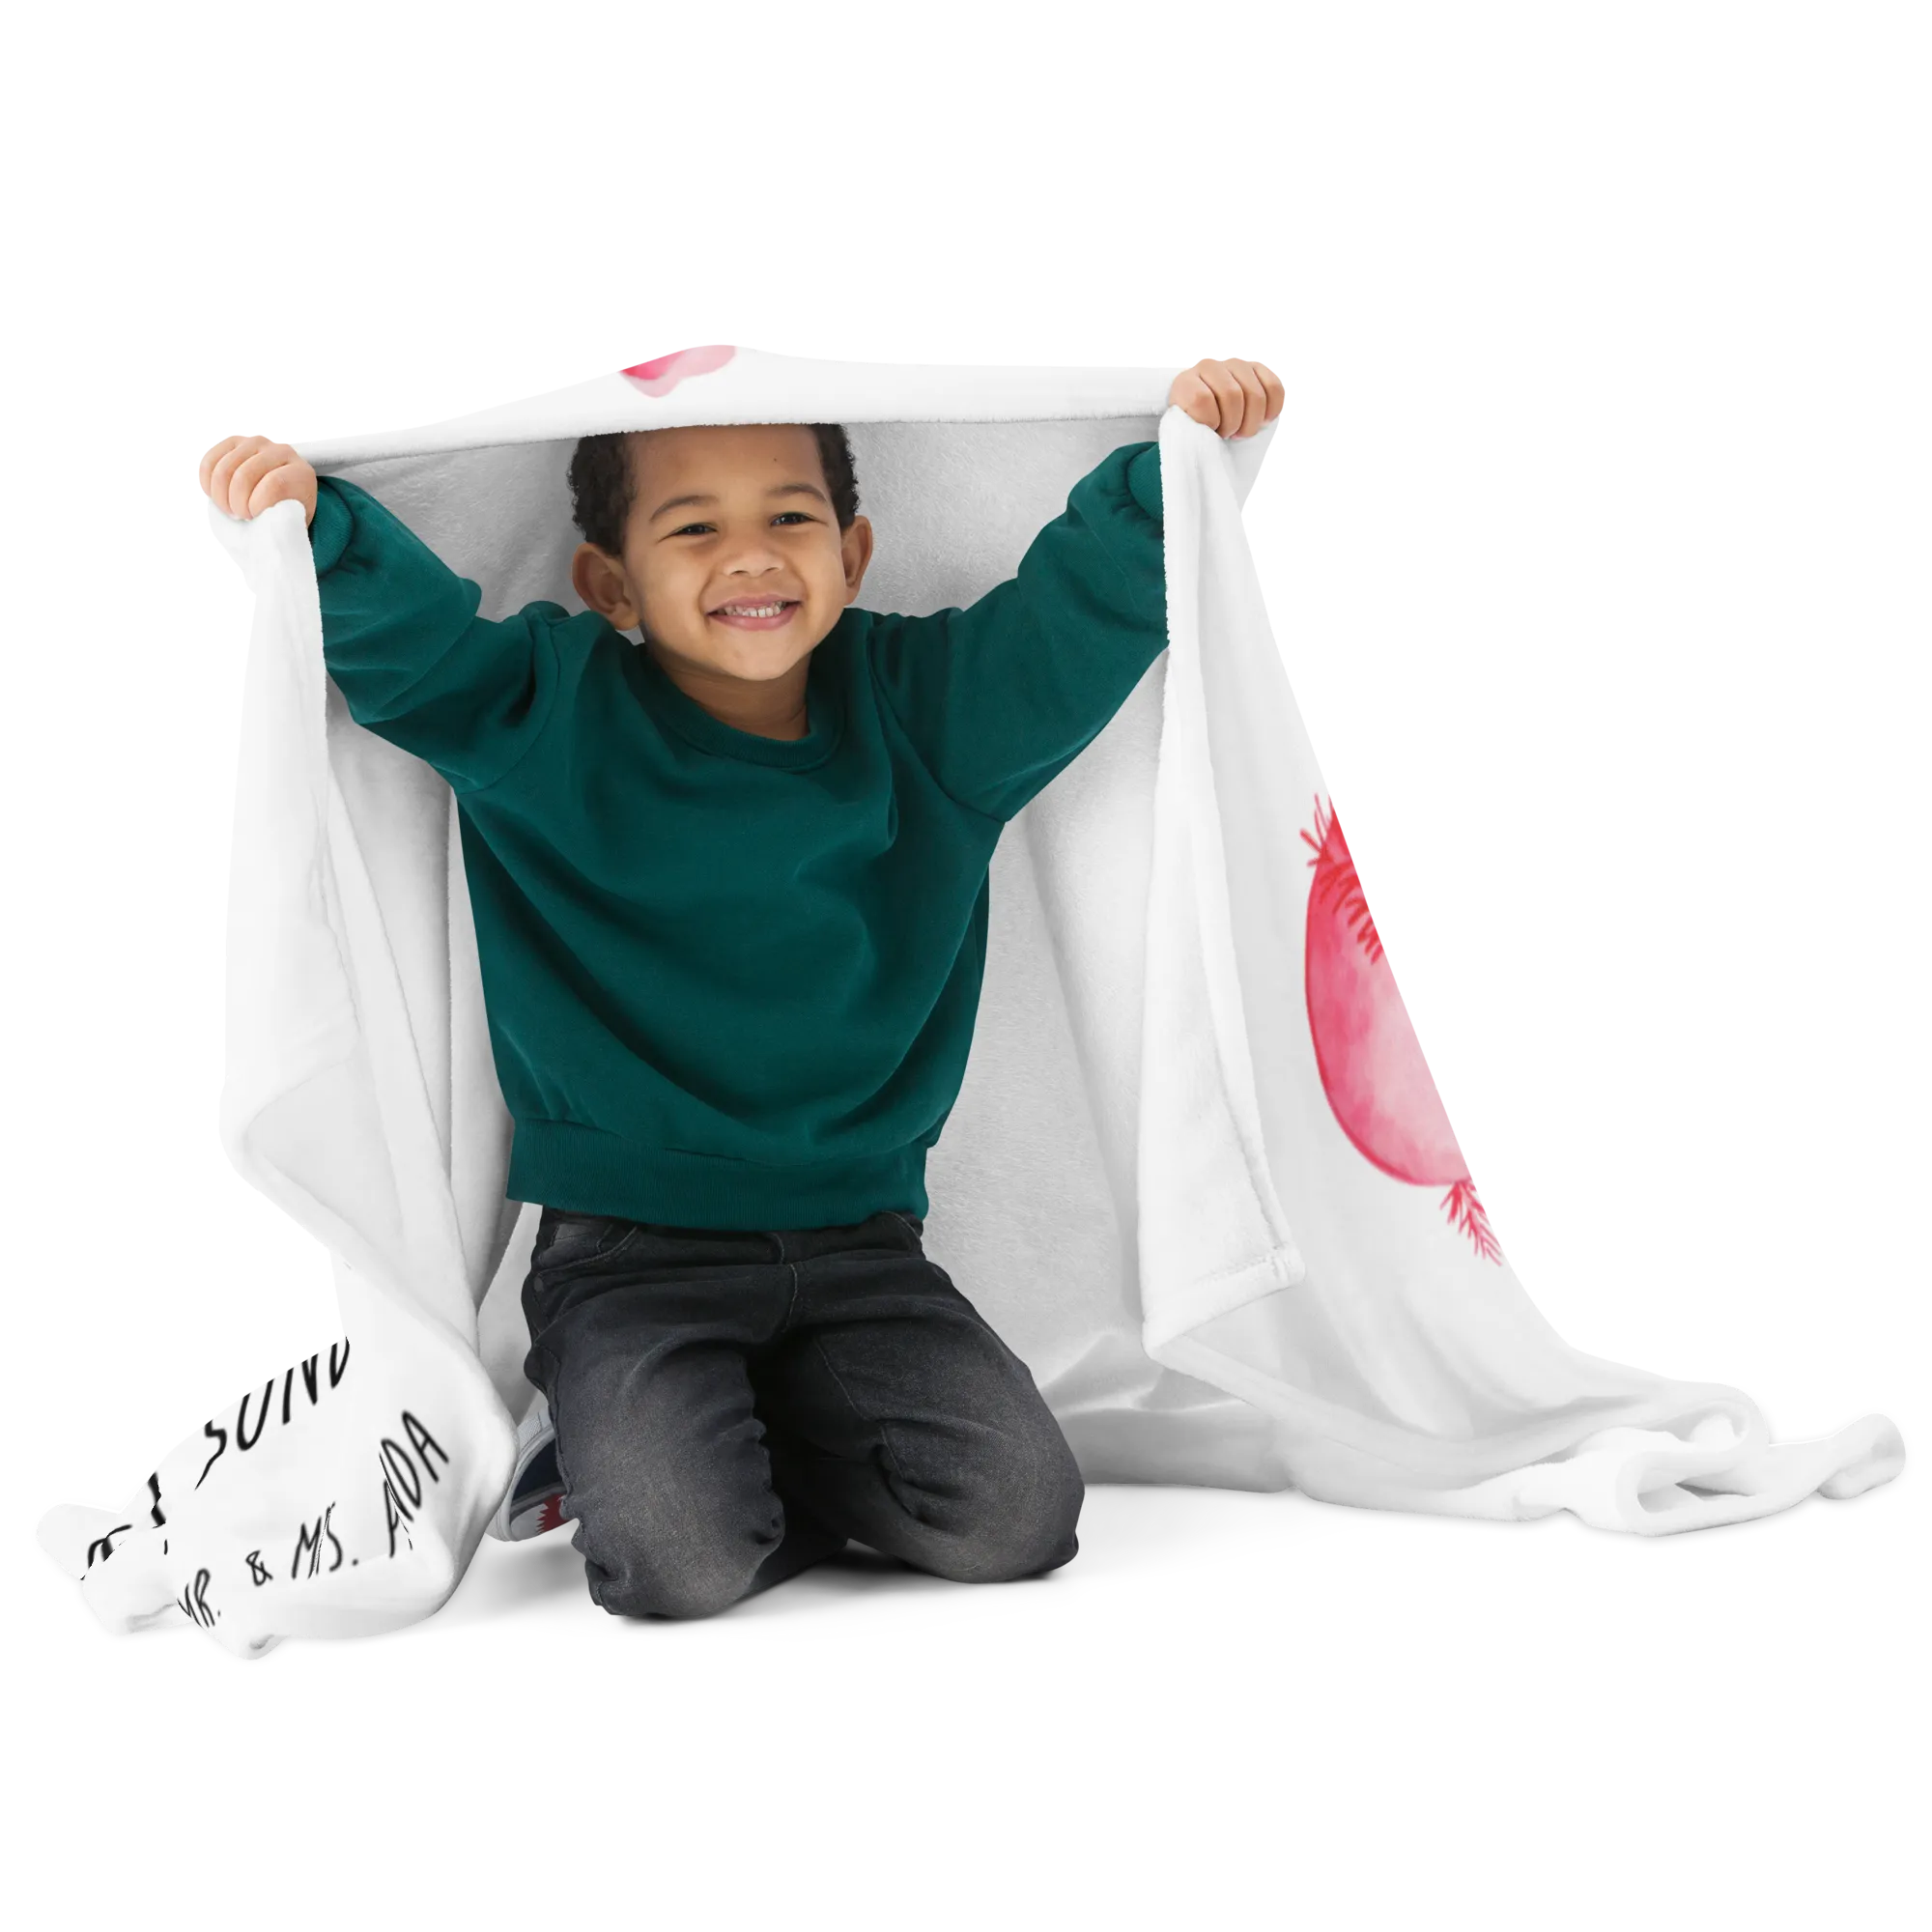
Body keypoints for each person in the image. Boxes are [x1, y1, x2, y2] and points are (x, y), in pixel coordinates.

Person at [191, 357, 1281, 1619]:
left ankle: (734, 1436)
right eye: (694, 529)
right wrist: (315, 528)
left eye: (790, 517)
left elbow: (1070, 627)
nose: (752, 555)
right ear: (611, 584)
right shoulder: (551, 716)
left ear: (853, 555)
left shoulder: (927, 714)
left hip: (864, 1247)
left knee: (1017, 1521)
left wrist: (1178, 470)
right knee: (685, 1561)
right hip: (626, 1257)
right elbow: (420, 656)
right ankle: (622, 1445)